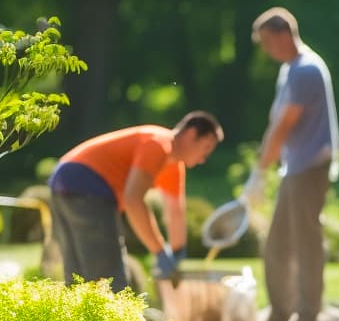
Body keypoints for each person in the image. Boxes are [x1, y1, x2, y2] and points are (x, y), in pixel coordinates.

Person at [243, 6, 339, 321]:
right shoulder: (290, 69)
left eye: (268, 42)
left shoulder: (305, 70)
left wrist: (259, 172)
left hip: (309, 167)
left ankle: (308, 316)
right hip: (295, 167)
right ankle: (280, 313)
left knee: (305, 242)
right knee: (278, 245)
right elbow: (278, 124)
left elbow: (283, 125)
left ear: (284, 34)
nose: (266, 50)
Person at [47, 111, 223, 292]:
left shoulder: (173, 166)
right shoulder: (159, 144)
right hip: (87, 185)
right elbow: (133, 200)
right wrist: (160, 252)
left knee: (78, 277)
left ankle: (77, 319)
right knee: (110, 280)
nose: (204, 158)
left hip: (62, 182)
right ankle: (113, 319)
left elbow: (175, 212)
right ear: (191, 134)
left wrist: (177, 255)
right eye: (206, 147)